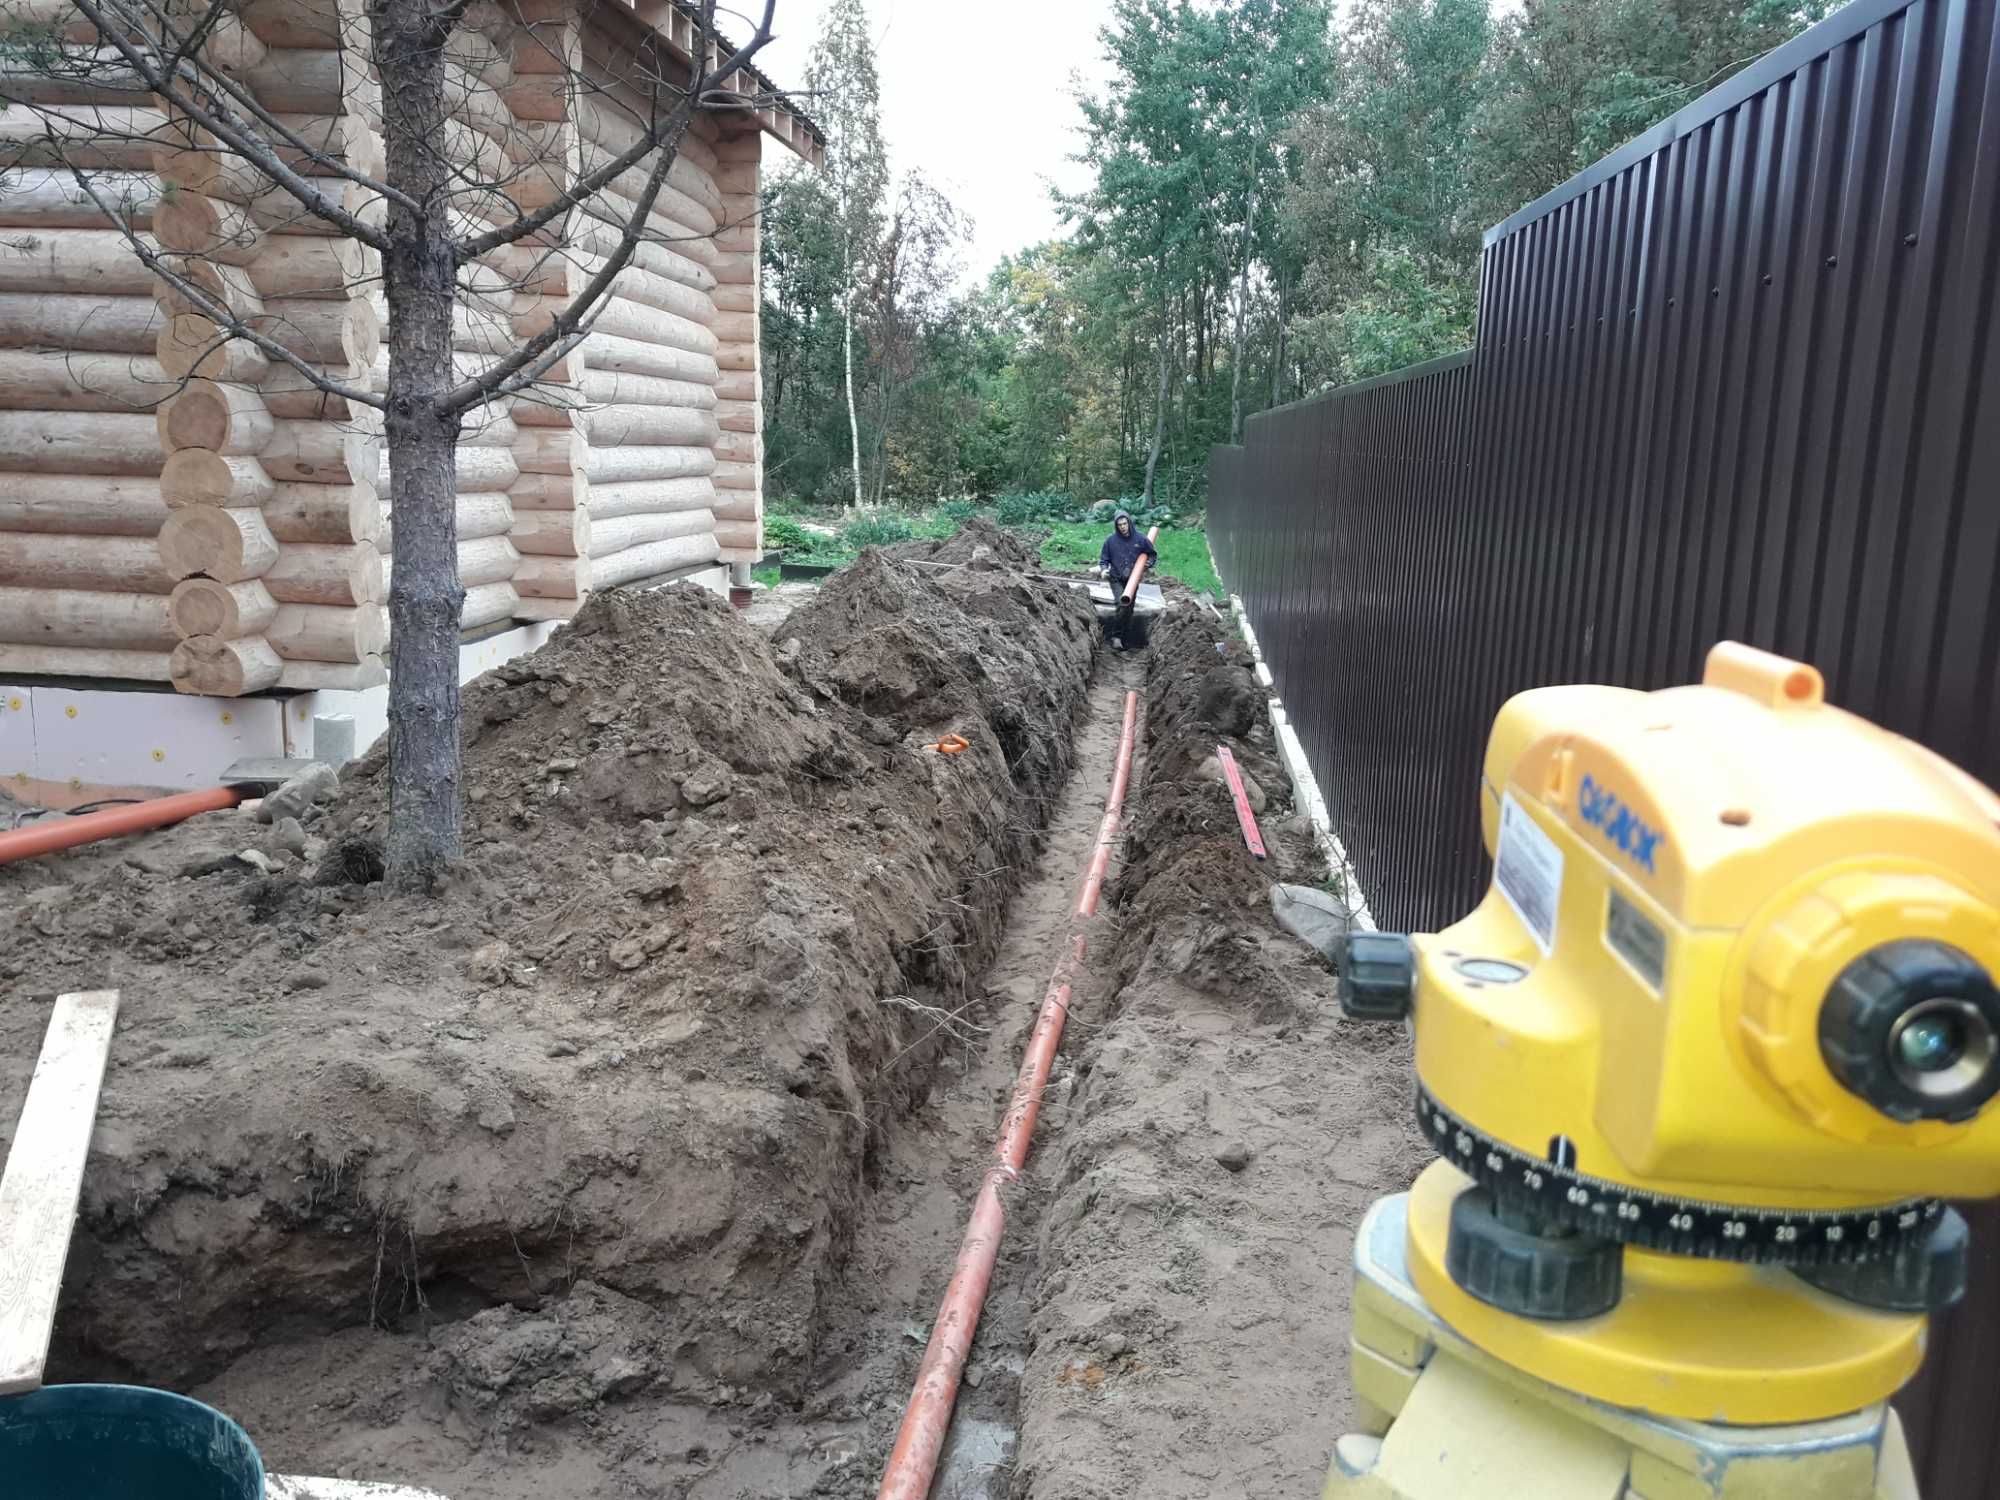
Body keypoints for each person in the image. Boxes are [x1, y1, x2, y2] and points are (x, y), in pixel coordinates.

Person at [1096, 510, 1157, 650]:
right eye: (1120, 525)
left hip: (1132, 580)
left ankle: (1126, 637)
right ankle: (1115, 637)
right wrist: (1104, 570)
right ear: (1116, 526)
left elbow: (1152, 555)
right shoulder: (1110, 541)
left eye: (1125, 523)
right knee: (1122, 603)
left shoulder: (1141, 539)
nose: (1123, 527)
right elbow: (1103, 560)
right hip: (1116, 578)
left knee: (1129, 610)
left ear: (1129, 523)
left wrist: (1146, 565)